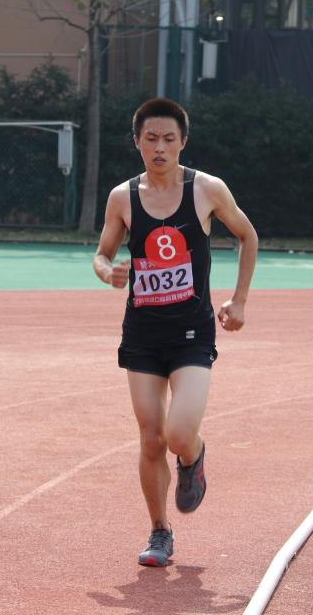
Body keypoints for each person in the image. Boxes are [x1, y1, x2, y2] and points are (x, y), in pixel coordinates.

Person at [93, 97, 258, 567]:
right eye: (151, 139)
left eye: (169, 139)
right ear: (137, 143)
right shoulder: (122, 197)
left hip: (191, 333)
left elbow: (248, 235)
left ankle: (193, 458)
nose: (160, 147)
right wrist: (107, 272)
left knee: (179, 432)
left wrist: (239, 300)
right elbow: (102, 253)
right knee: (151, 438)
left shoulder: (206, 189)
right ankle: (160, 531)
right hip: (142, 335)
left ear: (183, 142)